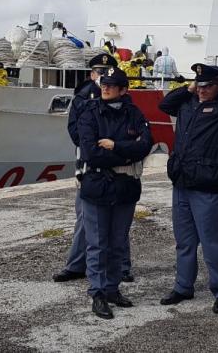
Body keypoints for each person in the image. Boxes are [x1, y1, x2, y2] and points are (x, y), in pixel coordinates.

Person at [157, 64, 218, 314]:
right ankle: (183, 286)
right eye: (199, 85)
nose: (202, 90)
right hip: (182, 183)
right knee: (184, 242)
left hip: (208, 185)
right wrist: (188, 88)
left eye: (208, 86)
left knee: (214, 244)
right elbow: (164, 106)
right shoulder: (188, 102)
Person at [76, 67, 152, 319]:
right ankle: (97, 293)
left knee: (118, 242)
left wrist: (115, 145)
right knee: (97, 244)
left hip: (125, 186)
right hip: (97, 184)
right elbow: (89, 151)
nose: (105, 88)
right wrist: (126, 151)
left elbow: (145, 146)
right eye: (104, 84)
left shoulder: (134, 113)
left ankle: (112, 288)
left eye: (111, 85)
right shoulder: (89, 113)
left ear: (123, 90)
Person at [53, 54, 134, 284]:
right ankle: (77, 265)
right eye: (99, 73)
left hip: (118, 167)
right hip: (90, 166)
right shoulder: (83, 97)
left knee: (119, 222)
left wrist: (112, 145)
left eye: (108, 73)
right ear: (92, 74)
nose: (103, 79)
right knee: (84, 217)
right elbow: (76, 132)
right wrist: (97, 144)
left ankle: (122, 267)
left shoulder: (124, 101)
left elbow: (132, 132)